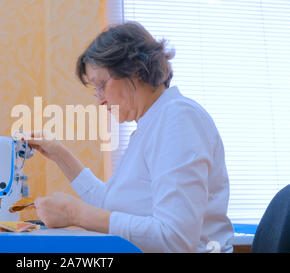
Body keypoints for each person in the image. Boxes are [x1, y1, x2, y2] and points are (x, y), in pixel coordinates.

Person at [27, 22, 234, 253]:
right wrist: (59, 154)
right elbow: (109, 204)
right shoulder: (151, 124)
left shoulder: (179, 119)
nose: (99, 100)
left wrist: (75, 213)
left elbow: (175, 238)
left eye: (101, 85)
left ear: (134, 69)